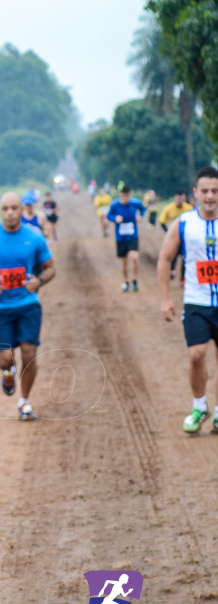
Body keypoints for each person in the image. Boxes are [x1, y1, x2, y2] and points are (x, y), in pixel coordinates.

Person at [0, 192, 55, 420]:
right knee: (5, 358)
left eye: (14, 208)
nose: (10, 213)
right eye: (5, 208)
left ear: (22, 209)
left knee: (29, 353)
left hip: (28, 305)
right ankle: (9, 371)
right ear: (1, 211)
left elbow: (50, 268)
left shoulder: (34, 237)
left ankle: (24, 401)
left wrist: (39, 281)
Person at [157, 166, 218, 433]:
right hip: (196, 300)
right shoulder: (182, 223)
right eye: (204, 191)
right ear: (195, 192)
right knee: (196, 355)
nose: (210, 196)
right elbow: (165, 258)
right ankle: (199, 405)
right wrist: (165, 298)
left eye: (215, 191)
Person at [106, 186, 146, 292]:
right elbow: (108, 216)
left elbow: (143, 209)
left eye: (126, 197)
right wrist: (115, 218)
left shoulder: (135, 203)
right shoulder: (115, 204)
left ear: (129, 195)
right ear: (120, 195)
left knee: (134, 257)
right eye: (122, 197)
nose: (124, 199)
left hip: (132, 235)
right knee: (124, 261)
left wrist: (140, 216)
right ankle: (126, 281)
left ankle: (134, 279)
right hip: (121, 237)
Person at [158, 189, 195, 282]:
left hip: (185, 238)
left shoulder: (189, 208)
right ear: (175, 198)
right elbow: (162, 221)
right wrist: (168, 232)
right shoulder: (168, 208)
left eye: (181, 198)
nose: (180, 200)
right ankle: (172, 270)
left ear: (184, 198)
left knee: (184, 258)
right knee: (172, 256)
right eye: (178, 198)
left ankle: (182, 279)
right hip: (173, 238)